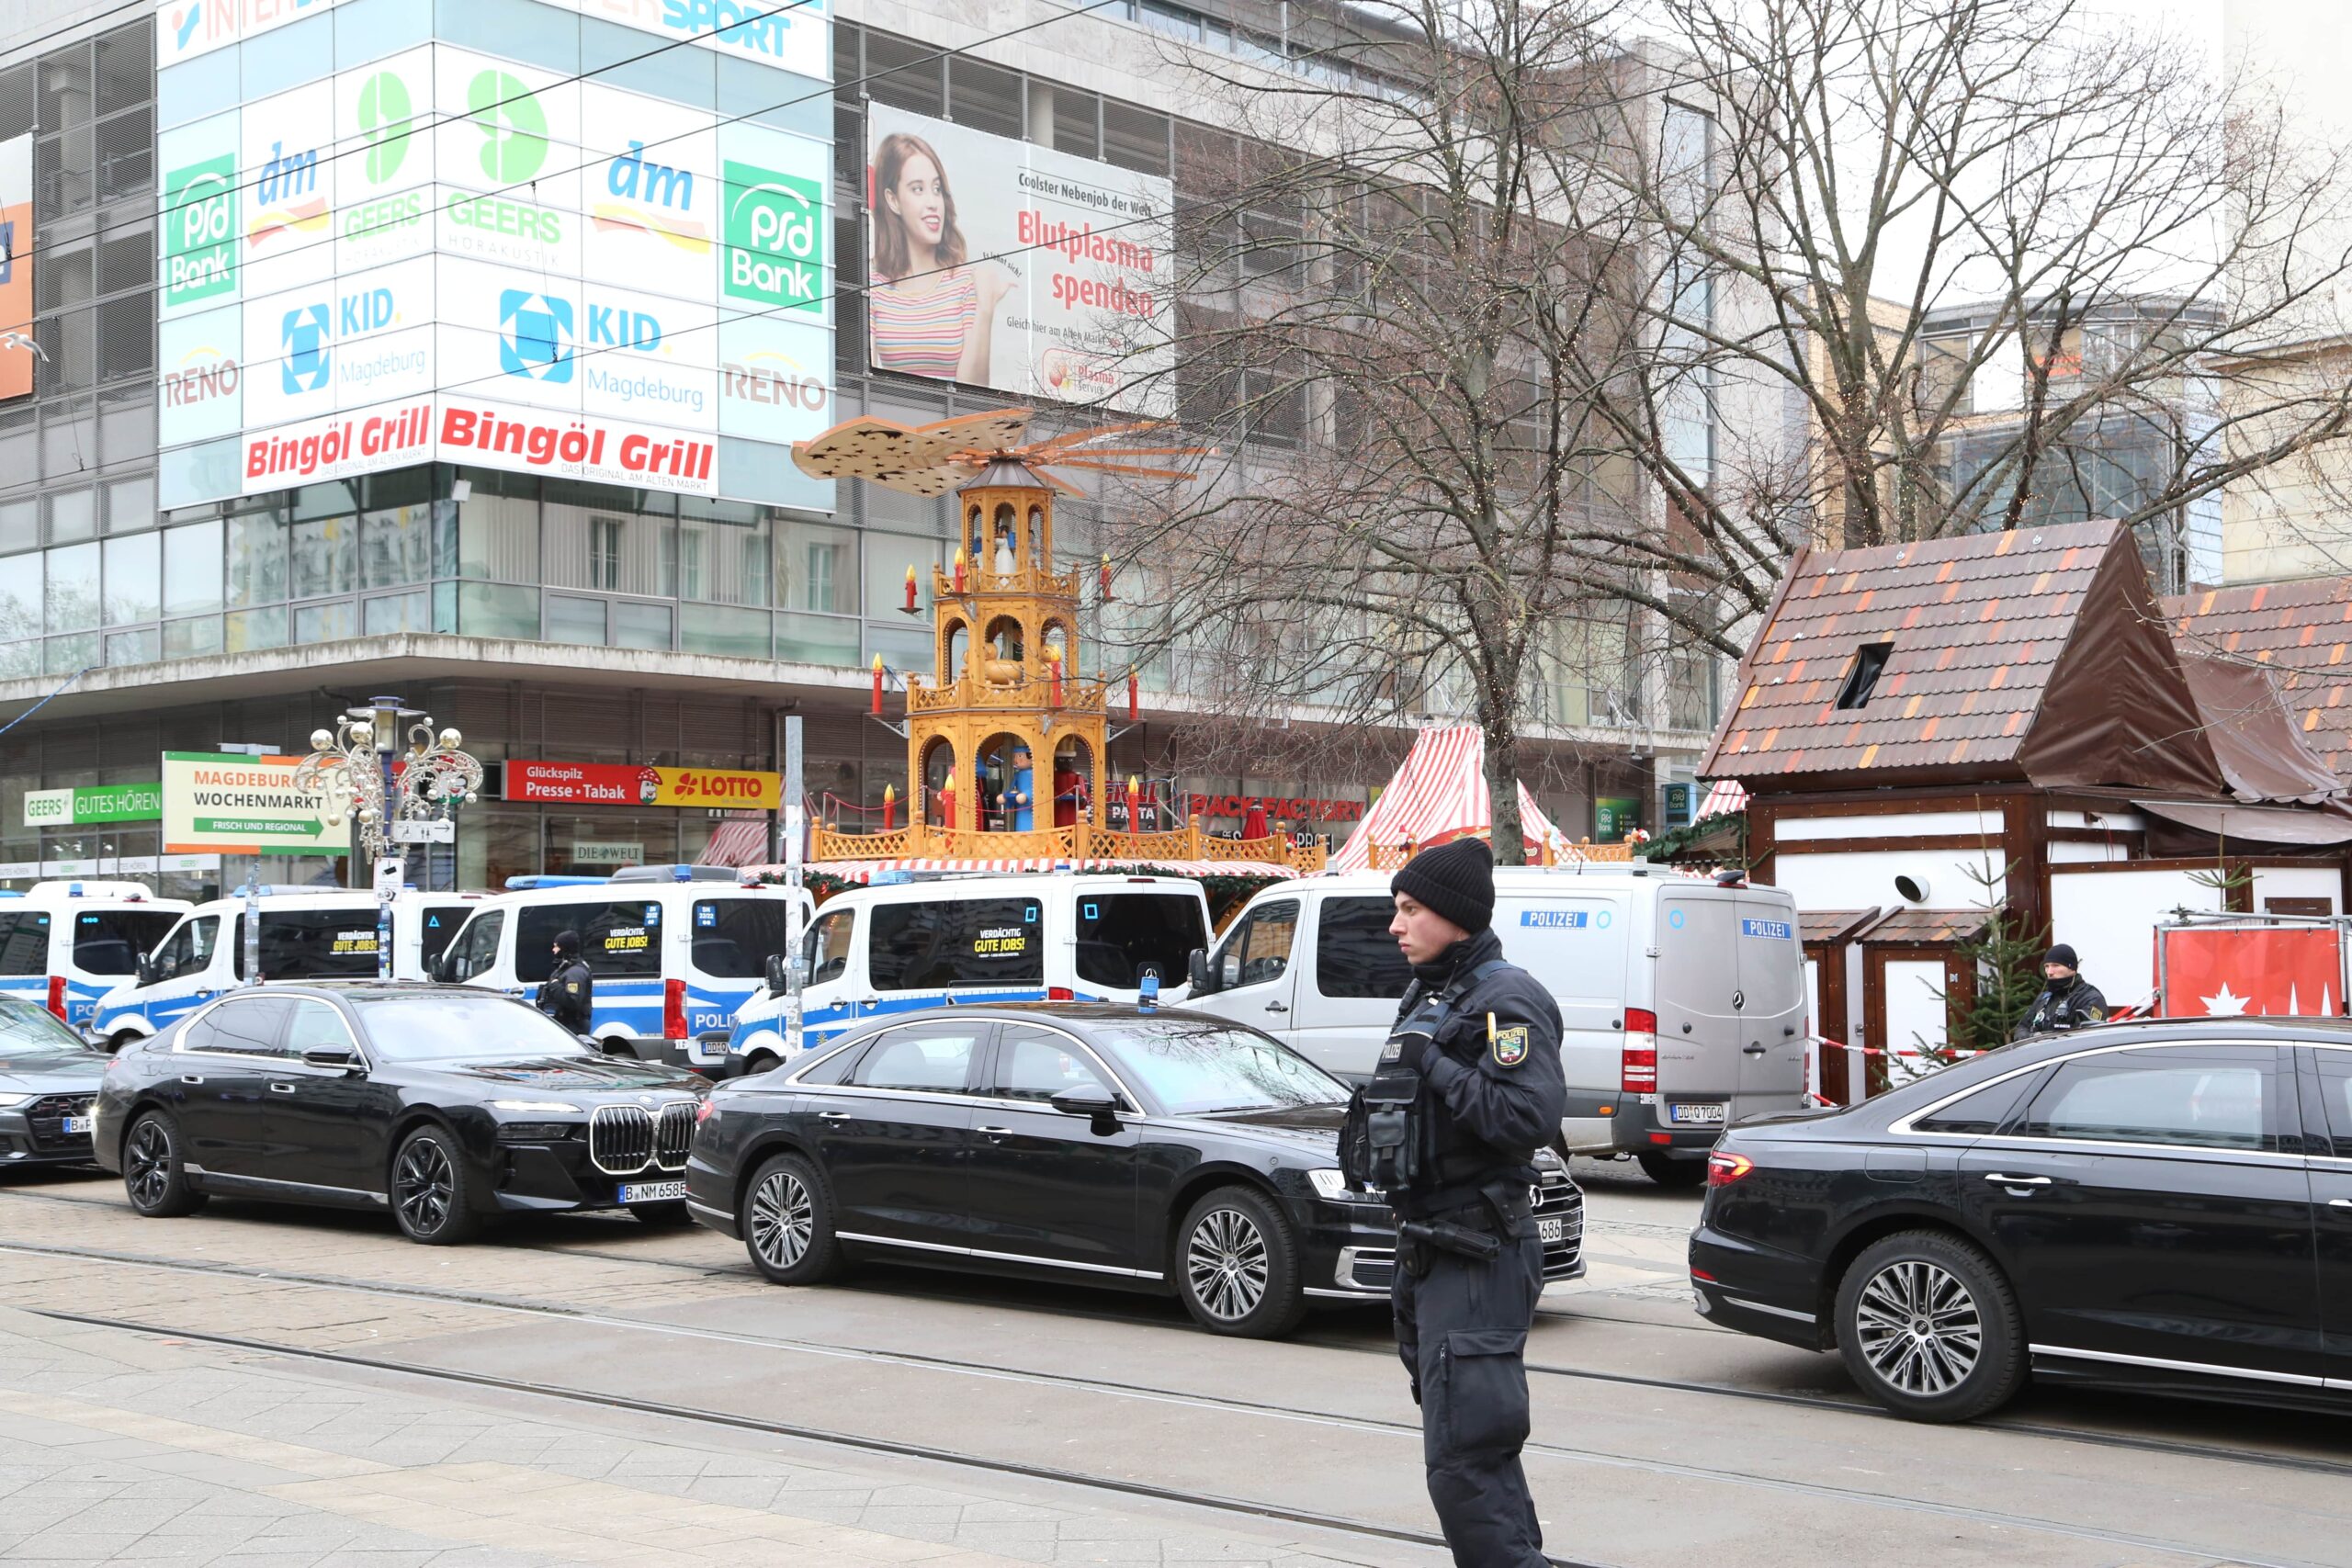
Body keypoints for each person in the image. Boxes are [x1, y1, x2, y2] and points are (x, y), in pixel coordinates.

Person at [1365, 839, 1565, 1567]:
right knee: (1470, 1445)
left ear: (1453, 916)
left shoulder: (1505, 998)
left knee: (1463, 1459)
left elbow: (1528, 1118)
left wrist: (1439, 1065)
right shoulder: (1431, 992)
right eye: (1397, 908)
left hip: (1478, 1251)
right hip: (1428, 1248)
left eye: (1411, 908)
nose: (1396, 924)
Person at [868, 132, 1015, 384]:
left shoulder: (965, 284)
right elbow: (866, 379)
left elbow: (974, 389)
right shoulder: (875, 288)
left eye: (937, 189)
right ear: (893, 200)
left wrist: (985, 308)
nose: (933, 202)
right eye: (918, 189)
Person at [2014, 943, 2107, 1038]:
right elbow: (2021, 1028)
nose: (2049, 972)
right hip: (2040, 1051)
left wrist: (2046, 1039)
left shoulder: (2090, 998)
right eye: (2046, 966)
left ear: (2072, 968)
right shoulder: (2044, 998)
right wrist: (2034, 1037)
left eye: (2055, 966)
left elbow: (2086, 1038)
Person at [536, 931, 594, 1037]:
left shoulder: (576, 972)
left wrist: (554, 985)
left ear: (564, 948)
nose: (553, 950)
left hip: (572, 1028)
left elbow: (572, 1000)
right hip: (565, 1026)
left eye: (556, 947)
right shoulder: (565, 968)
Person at [1008, 744, 1036, 831]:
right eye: (1014, 756)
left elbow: (1035, 788)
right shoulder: (1017, 775)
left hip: (1031, 806)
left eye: (1020, 756)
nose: (1016, 760)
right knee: (1020, 823)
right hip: (1021, 806)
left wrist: (1027, 795)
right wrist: (1007, 795)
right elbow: (1012, 788)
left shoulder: (1035, 773)